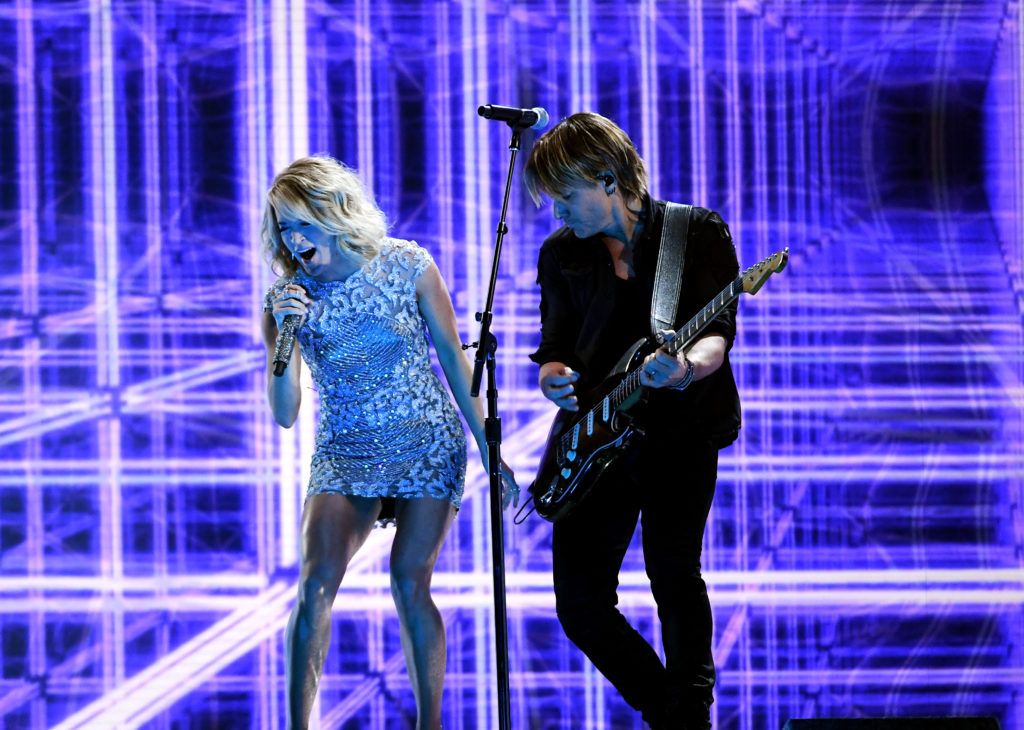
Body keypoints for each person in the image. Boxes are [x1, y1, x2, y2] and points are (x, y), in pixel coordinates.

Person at [260, 155, 517, 730]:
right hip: (346, 450)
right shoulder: (288, 301)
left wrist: (488, 453)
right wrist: (280, 335)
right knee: (314, 584)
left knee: (408, 578)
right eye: (282, 225)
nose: (293, 237)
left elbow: (456, 365)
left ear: (333, 212)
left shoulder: (407, 264)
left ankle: (431, 725)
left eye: (301, 221)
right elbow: (284, 414)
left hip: (425, 439)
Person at [524, 113, 741, 729]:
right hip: (596, 441)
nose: (559, 212)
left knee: (673, 571)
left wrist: (684, 370)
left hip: (681, 432)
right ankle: (669, 710)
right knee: (581, 602)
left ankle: (691, 710)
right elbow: (555, 345)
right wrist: (553, 379)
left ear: (607, 179)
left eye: (566, 196)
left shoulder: (695, 233)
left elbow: (717, 337)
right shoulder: (560, 253)